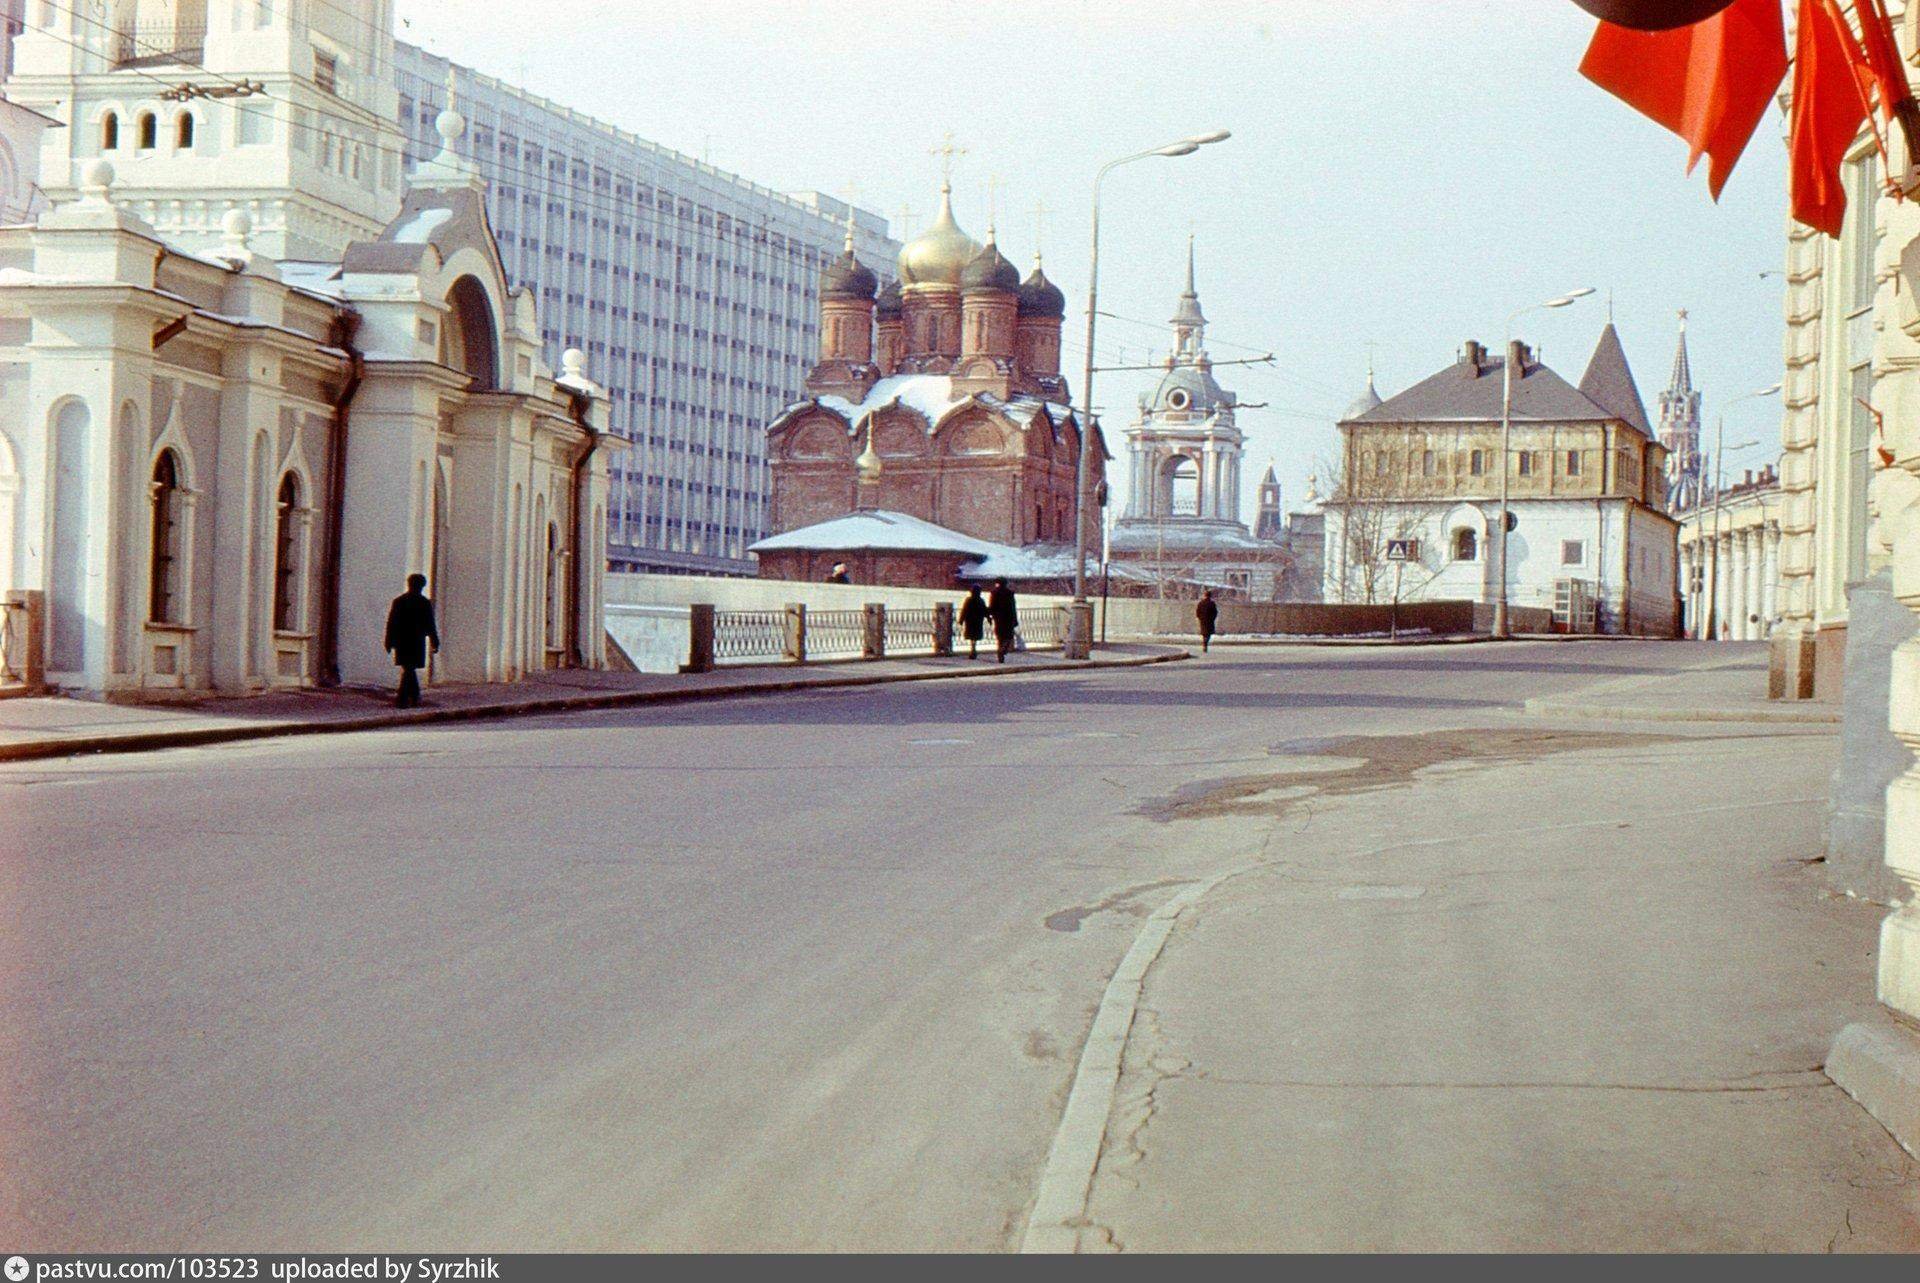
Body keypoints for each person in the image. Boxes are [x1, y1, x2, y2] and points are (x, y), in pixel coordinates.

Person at [384, 573, 439, 709]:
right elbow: (430, 624)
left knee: (408, 668)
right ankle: (409, 697)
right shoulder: (424, 603)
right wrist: (434, 641)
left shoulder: (399, 601)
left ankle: (406, 697)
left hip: (403, 640)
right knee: (409, 668)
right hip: (416, 640)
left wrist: (389, 640)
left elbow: (392, 622)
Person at [988, 577, 1019, 663]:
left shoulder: (994, 593)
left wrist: (990, 616)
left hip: (998, 618)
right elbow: (1012, 607)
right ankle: (1003, 650)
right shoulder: (1009, 593)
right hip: (1008, 618)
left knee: (1000, 637)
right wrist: (1015, 620)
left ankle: (1000, 651)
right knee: (1008, 637)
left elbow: (992, 606)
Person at [959, 585, 988, 660]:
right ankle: (974, 648)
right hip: (978, 620)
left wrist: (961, 620)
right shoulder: (981, 600)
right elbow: (985, 610)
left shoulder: (969, 600)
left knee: (971, 636)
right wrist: (988, 618)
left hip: (970, 620)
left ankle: (972, 648)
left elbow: (964, 610)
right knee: (975, 636)